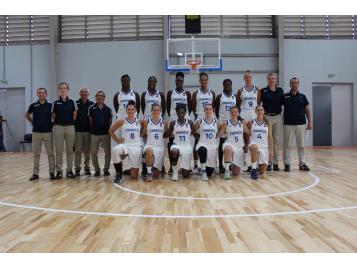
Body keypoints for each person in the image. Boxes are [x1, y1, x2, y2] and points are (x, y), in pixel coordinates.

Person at [282, 77, 312, 172]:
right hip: (288, 124)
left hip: (301, 124)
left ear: (298, 84)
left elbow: (307, 110)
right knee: (287, 145)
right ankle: (287, 164)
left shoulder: (303, 96)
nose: (294, 84)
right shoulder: (285, 96)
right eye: (292, 83)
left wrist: (310, 122)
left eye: (296, 83)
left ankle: (302, 163)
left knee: (301, 145)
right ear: (290, 84)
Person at [25, 87, 55, 181]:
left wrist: (52, 124)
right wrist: (32, 122)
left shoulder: (50, 105)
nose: (41, 94)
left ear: (46, 94)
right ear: (37, 94)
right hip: (36, 133)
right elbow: (27, 115)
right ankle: (35, 173)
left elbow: (54, 117)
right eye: (39, 93)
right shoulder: (33, 105)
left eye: (43, 92)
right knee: (36, 154)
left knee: (50, 153)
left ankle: (52, 172)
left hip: (48, 133)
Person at [110, 100, 142, 184]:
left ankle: (127, 165)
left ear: (135, 110)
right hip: (125, 145)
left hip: (136, 147)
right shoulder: (122, 121)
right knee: (115, 150)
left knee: (134, 176)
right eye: (129, 109)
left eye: (132, 109)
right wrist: (118, 141)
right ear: (126, 110)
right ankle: (119, 174)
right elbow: (111, 131)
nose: (130, 111)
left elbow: (144, 133)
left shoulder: (140, 121)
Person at [166, 72, 192, 174]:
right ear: (175, 81)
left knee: (186, 141)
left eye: (180, 80)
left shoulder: (187, 93)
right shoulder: (170, 93)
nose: (178, 82)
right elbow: (168, 108)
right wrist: (173, 116)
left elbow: (189, 108)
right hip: (173, 117)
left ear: (183, 81)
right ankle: (173, 166)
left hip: (184, 118)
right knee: (172, 141)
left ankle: (186, 165)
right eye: (177, 80)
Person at [140, 76, 166, 177]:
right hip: (148, 121)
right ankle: (145, 167)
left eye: (153, 81)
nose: (151, 83)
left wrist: (159, 119)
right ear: (148, 82)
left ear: (156, 83)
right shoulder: (144, 94)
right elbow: (142, 107)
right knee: (146, 145)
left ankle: (160, 166)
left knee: (159, 144)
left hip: (158, 121)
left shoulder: (161, 94)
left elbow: (163, 108)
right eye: (150, 81)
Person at [258, 73, 284, 171]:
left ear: (276, 79)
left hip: (277, 117)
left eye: (273, 78)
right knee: (268, 141)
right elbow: (259, 104)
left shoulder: (280, 90)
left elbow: (282, 103)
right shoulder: (263, 91)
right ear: (267, 80)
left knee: (276, 141)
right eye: (270, 78)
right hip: (267, 117)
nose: (272, 80)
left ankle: (276, 163)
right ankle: (268, 162)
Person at [52, 82, 78, 179]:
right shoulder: (55, 102)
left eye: (65, 88)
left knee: (70, 151)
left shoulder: (72, 102)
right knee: (58, 150)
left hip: (70, 127)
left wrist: (69, 122)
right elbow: (53, 115)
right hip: (58, 127)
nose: (63, 90)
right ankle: (59, 171)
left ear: (67, 89)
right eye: (61, 88)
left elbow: (74, 114)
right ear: (59, 90)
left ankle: (69, 171)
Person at [191, 72, 215, 174]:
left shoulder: (212, 92)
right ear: (199, 81)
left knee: (210, 141)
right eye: (202, 80)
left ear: (207, 80)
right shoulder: (196, 93)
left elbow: (213, 106)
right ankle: (196, 165)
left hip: (209, 115)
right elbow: (193, 106)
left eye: (205, 79)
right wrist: (197, 116)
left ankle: (211, 163)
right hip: (200, 117)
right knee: (197, 141)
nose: (204, 81)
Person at [166, 103, 197, 181]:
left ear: (185, 112)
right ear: (176, 112)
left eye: (182, 112)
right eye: (179, 112)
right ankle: (175, 172)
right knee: (174, 151)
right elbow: (167, 134)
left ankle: (186, 168)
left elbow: (195, 134)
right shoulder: (173, 123)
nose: (181, 114)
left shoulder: (190, 122)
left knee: (185, 175)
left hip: (187, 147)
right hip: (176, 145)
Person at [237, 70, 261, 172]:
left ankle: (254, 163)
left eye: (249, 77)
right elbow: (238, 104)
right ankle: (244, 162)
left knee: (255, 139)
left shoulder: (257, 89)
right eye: (246, 77)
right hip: (244, 114)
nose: (248, 78)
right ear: (244, 78)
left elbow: (258, 102)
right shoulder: (240, 90)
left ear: (252, 78)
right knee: (244, 139)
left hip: (253, 114)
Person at [214, 79, 239, 173]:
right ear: (223, 85)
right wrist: (220, 120)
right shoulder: (220, 96)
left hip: (232, 121)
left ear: (231, 85)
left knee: (231, 143)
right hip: (223, 121)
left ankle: (231, 163)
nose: (228, 86)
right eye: (226, 85)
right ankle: (220, 164)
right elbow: (216, 110)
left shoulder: (235, 96)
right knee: (221, 143)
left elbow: (237, 108)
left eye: (229, 85)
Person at [217, 106, 247, 180]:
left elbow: (248, 132)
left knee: (236, 173)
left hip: (239, 147)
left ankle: (232, 163)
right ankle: (226, 171)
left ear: (238, 113)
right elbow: (219, 134)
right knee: (228, 149)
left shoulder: (242, 122)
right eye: (232, 112)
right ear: (230, 113)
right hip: (229, 144)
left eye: (236, 112)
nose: (234, 113)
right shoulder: (226, 123)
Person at [141, 103, 169, 182]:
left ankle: (153, 167)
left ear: (160, 111)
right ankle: (149, 173)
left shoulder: (164, 123)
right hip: (149, 145)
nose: (156, 112)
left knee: (156, 175)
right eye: (154, 110)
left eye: (158, 110)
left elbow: (166, 134)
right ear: (151, 111)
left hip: (159, 147)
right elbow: (143, 134)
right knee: (149, 150)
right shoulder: (147, 121)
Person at [88, 91, 112, 177]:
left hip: (105, 134)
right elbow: (90, 120)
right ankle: (97, 170)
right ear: (95, 97)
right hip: (94, 134)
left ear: (104, 98)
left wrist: (106, 129)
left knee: (107, 153)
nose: (99, 98)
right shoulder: (91, 108)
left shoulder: (108, 109)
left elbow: (110, 121)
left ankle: (106, 169)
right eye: (98, 96)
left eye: (101, 96)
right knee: (93, 153)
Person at [246, 105, 273, 180]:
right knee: (255, 147)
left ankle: (255, 166)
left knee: (261, 172)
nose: (260, 111)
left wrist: (271, 151)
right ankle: (253, 169)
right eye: (258, 110)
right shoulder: (251, 122)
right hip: (253, 144)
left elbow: (270, 137)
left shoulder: (268, 123)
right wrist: (246, 144)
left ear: (264, 111)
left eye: (261, 110)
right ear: (255, 112)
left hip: (264, 146)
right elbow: (246, 132)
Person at [194, 104, 220, 181]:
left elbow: (221, 130)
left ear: (213, 110)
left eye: (210, 109)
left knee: (210, 173)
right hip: (202, 143)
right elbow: (193, 131)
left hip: (212, 146)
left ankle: (206, 170)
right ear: (204, 111)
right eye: (206, 109)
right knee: (202, 150)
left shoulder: (217, 122)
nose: (208, 111)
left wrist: (216, 136)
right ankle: (203, 171)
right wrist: (198, 137)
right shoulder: (199, 121)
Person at [74, 87, 94, 176]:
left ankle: (87, 168)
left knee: (87, 151)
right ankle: (77, 168)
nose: (84, 93)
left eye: (85, 92)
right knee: (78, 150)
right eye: (82, 92)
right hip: (77, 130)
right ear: (79, 93)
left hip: (88, 131)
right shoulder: (75, 103)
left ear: (88, 94)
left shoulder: (92, 104)